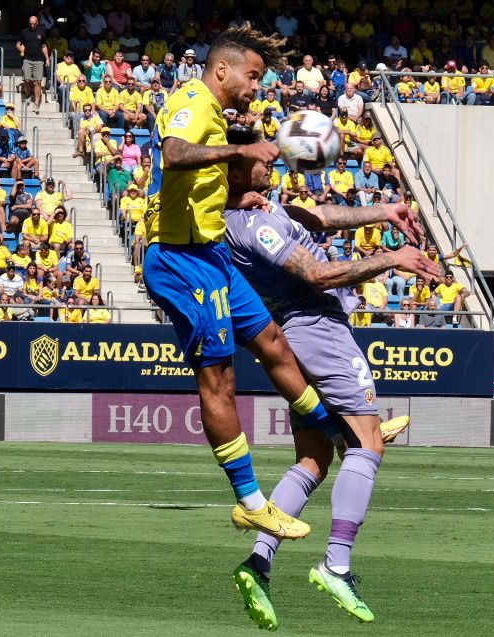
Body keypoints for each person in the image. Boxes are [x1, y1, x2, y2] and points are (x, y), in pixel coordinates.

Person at [144, 27, 352, 541]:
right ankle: (252, 501)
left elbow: (194, 186)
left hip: (209, 250)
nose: (257, 86)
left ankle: (338, 429)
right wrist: (239, 154)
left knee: (273, 342)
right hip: (180, 258)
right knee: (219, 380)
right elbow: (172, 153)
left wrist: (241, 197)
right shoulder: (193, 101)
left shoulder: (215, 115)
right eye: (252, 76)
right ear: (222, 71)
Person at [222, 130, 435, 628]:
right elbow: (317, 275)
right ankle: (336, 564)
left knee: (314, 458)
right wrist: (391, 259)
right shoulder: (250, 225)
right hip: (315, 326)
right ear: (234, 170)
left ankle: (259, 562)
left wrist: (384, 212)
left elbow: (316, 218)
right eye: (256, 156)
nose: (269, 156)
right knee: (367, 446)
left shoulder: (261, 208)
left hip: (299, 330)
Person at [17, 15, 48, 113]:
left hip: (39, 60)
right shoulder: (24, 32)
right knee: (26, 80)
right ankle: (27, 94)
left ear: (37, 22)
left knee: (38, 82)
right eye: (30, 23)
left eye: (34, 23)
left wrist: (47, 58)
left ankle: (36, 103)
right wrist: (20, 48)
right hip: (27, 59)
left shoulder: (41, 32)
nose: (32, 25)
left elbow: (44, 46)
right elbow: (18, 43)